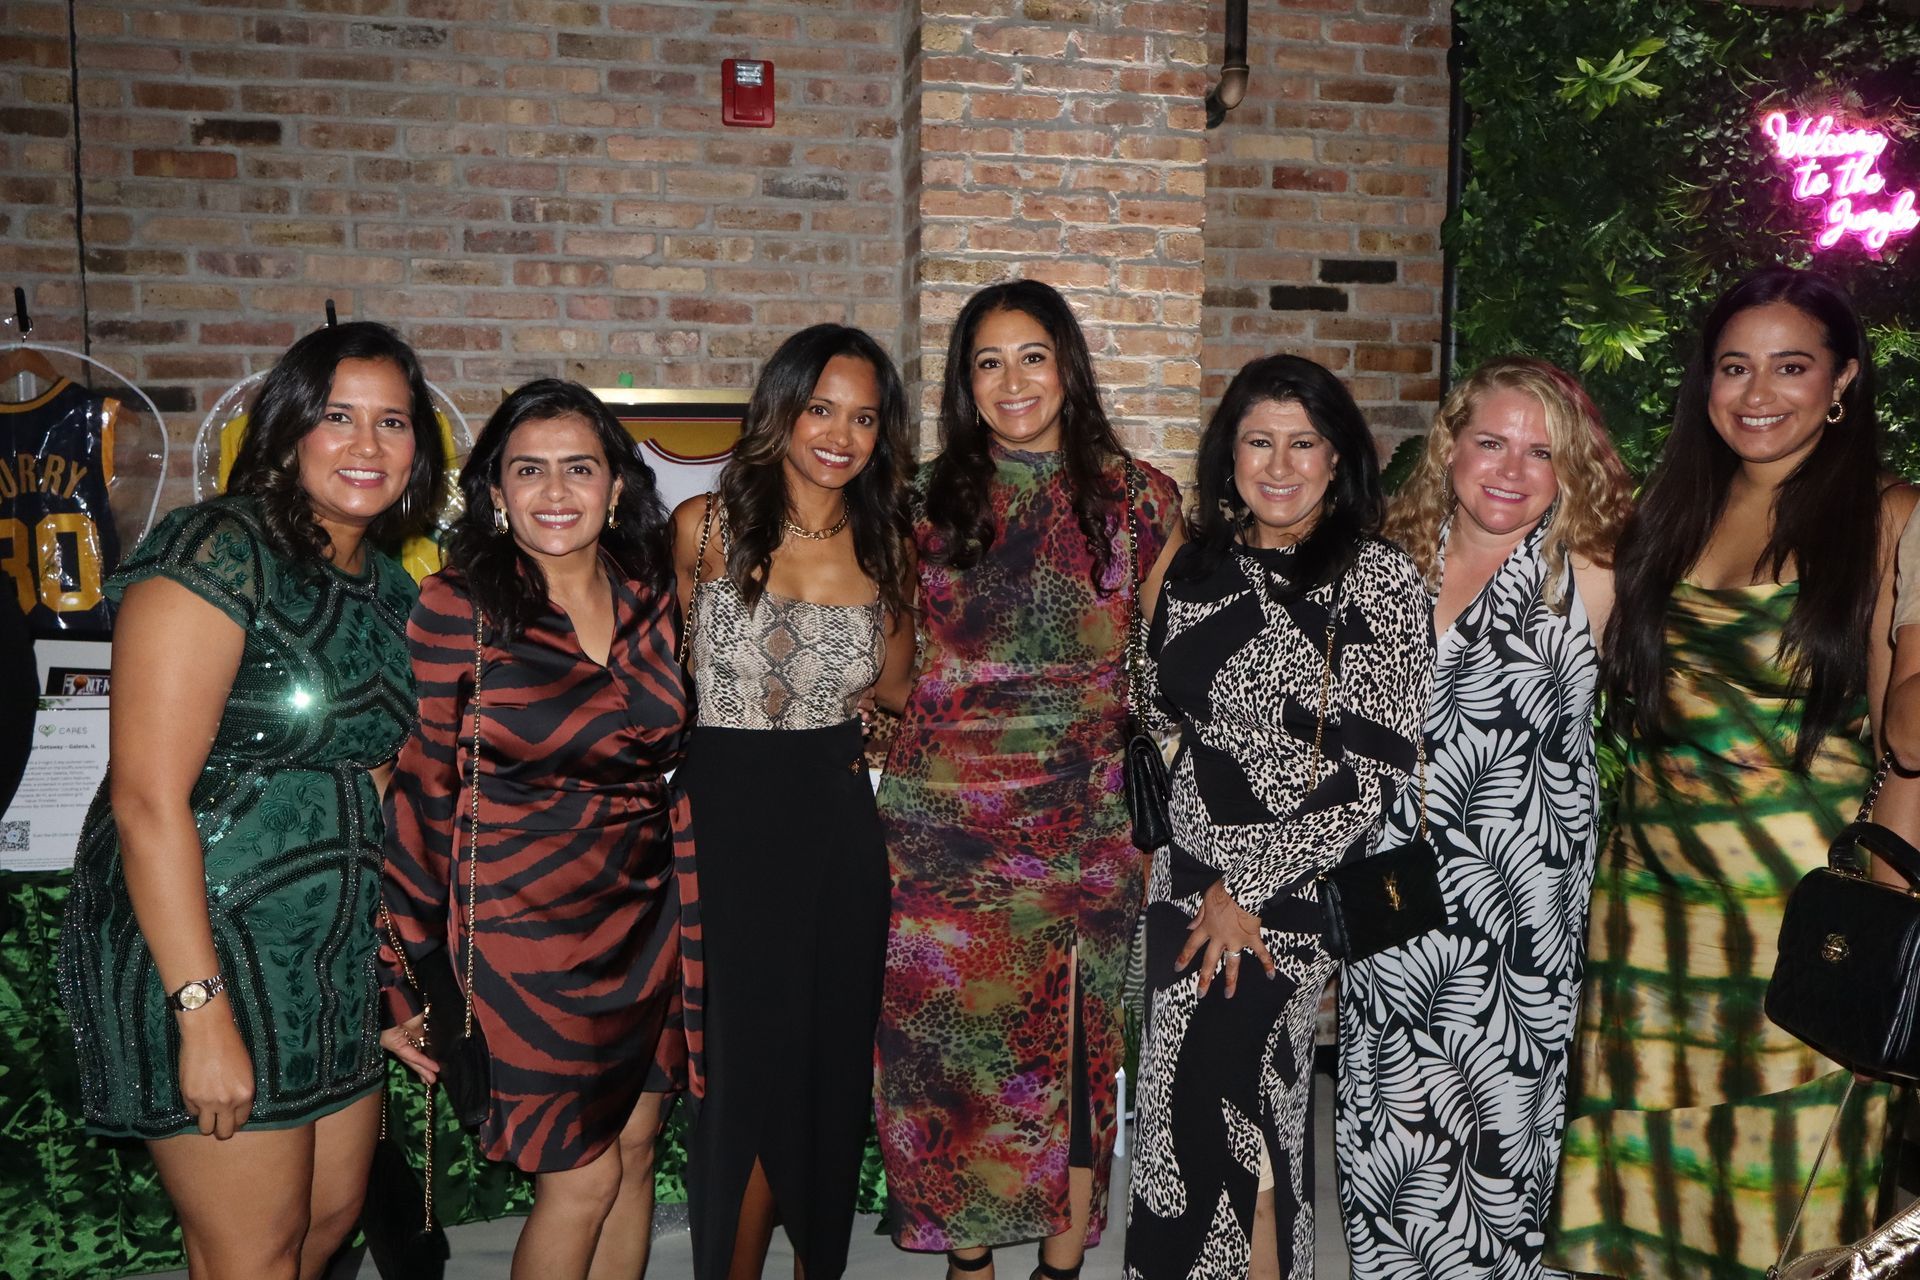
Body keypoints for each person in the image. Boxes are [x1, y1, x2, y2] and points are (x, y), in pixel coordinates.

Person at [1546, 266, 1918, 1280]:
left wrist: (1890, 910)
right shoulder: (1664, 513)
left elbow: (1906, 744)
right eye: (1733, 367)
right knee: (1647, 1210)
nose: (1758, 393)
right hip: (1649, 921)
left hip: (1800, 922)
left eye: (1791, 367)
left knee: (1786, 1210)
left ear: (1842, 380)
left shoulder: (1889, 518)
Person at [57, 321, 445, 1279]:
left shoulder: (390, 589)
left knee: (322, 1227)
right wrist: (201, 1014)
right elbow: (146, 799)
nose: (366, 444)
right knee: (253, 1254)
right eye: (337, 417)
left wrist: (381, 980)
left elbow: (377, 789)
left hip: (325, 962)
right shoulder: (217, 549)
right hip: (202, 945)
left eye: (392, 421)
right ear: (286, 430)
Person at [875, 279, 1183, 1280]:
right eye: (988, 362)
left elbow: (1178, 661)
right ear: (965, 383)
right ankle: (968, 1263)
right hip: (941, 837)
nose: (1013, 381)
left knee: (1078, 1058)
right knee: (946, 1064)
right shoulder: (918, 501)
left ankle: (1059, 1266)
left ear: (1068, 367)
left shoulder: (1141, 499)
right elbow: (886, 664)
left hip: (1084, 830)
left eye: (1033, 356)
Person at [1124, 354, 1433, 1280]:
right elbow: (1155, 707)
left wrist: (1243, 889)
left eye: (1305, 443)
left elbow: (1372, 773)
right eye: (1260, 442)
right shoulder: (1196, 567)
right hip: (1186, 881)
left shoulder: (1377, 578)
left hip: (1285, 893)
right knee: (1180, 1124)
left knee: (1240, 1120)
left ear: (1338, 459)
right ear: (1231, 455)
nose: (1281, 464)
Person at [380, 379, 688, 1280]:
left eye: (579, 469)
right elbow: (421, 797)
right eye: (529, 470)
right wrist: (405, 981)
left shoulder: (653, 597)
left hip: (649, 921)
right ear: (495, 492)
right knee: (581, 1181)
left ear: (616, 486)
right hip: (525, 942)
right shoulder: (459, 606)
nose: (556, 492)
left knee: (634, 1156)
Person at [1334, 357, 1632, 1280]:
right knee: (1385, 1135)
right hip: (1391, 899)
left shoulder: (1592, 574)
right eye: (1492, 442)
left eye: (1541, 452)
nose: (1511, 470)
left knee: (1497, 1144)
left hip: (1517, 927)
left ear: (1570, 468)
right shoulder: (1388, 564)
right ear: (1449, 447)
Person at [669, 324, 915, 1280]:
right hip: (719, 832)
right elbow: (658, 678)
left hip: (834, 836)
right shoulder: (701, 528)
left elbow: (898, 690)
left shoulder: (889, 548)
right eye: (821, 409)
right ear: (781, 409)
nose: (840, 436)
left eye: (864, 418)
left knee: (820, 1076)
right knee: (739, 1081)